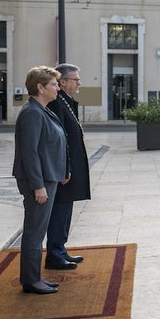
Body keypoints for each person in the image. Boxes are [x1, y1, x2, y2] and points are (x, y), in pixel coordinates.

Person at [12, 66, 70, 294]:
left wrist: (62, 170)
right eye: (54, 84)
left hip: (48, 177)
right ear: (40, 87)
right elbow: (30, 152)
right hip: (39, 181)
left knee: (39, 230)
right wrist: (38, 186)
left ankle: (34, 277)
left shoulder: (43, 110)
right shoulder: (32, 113)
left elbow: (51, 145)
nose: (58, 87)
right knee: (34, 232)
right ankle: (31, 280)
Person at [45, 63, 91, 271]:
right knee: (60, 210)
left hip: (70, 167)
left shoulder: (67, 101)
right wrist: (65, 168)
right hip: (64, 170)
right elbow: (59, 140)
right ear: (63, 82)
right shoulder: (57, 103)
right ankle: (54, 254)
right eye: (75, 79)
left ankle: (61, 250)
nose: (79, 82)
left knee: (66, 209)